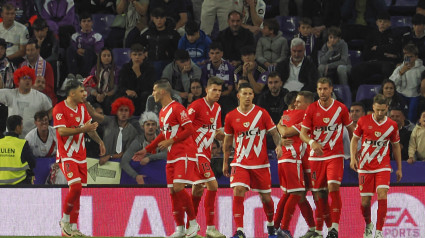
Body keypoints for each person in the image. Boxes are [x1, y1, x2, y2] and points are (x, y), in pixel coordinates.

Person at [132, 79, 199, 237]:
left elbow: (189, 129)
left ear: (163, 91)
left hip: (184, 152)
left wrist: (171, 141)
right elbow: (164, 134)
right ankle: (180, 228)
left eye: (155, 90)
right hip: (172, 155)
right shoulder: (162, 112)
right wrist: (147, 149)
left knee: (178, 188)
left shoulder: (177, 107)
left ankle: (194, 223)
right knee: (172, 192)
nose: (153, 93)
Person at [222, 83, 282, 238]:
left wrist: (279, 146)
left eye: (250, 94)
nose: (248, 97)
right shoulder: (230, 116)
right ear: (238, 95)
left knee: (266, 198)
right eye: (245, 94)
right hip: (240, 162)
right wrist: (225, 162)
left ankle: (270, 226)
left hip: (261, 163)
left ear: (253, 96)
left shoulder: (262, 113)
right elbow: (227, 142)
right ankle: (240, 231)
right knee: (238, 191)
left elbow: (274, 133)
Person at [300, 77, 355, 238]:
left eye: (325, 89)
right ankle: (326, 228)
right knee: (319, 195)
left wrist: (354, 154)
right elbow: (303, 134)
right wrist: (312, 142)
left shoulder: (341, 108)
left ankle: (335, 228)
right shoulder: (311, 109)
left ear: (331, 89)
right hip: (316, 158)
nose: (322, 92)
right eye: (319, 89)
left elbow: (353, 131)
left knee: (333, 187)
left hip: (335, 155)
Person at [54, 79, 105, 237]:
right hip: (66, 155)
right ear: (72, 93)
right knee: (75, 187)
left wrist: (100, 141)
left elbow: (89, 130)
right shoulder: (59, 108)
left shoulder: (82, 108)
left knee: (78, 192)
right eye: (82, 91)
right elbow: (61, 132)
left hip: (81, 156)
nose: (85, 93)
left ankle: (73, 229)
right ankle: (65, 220)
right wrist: (84, 128)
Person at [350, 94, 402, 238]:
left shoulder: (392, 125)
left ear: (387, 108)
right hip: (365, 165)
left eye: (383, 110)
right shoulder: (363, 121)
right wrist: (353, 157)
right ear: (373, 107)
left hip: (383, 165)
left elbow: (396, 147)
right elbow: (354, 140)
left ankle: (379, 232)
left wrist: (399, 168)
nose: (380, 113)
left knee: (382, 194)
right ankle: (368, 224)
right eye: (377, 110)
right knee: (365, 202)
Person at [187, 77, 226, 238]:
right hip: (196, 153)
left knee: (197, 190)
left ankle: (191, 228)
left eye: (219, 90)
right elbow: (185, 128)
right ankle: (210, 227)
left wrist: (227, 135)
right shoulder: (195, 106)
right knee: (213, 185)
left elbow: (216, 132)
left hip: (206, 153)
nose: (217, 93)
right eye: (214, 90)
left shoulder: (217, 108)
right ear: (206, 90)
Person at [275, 91, 316, 238]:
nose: (295, 105)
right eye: (295, 101)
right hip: (298, 160)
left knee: (307, 195)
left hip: (310, 161)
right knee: (299, 194)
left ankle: (315, 229)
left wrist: (280, 130)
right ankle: (310, 229)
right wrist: (280, 137)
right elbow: (283, 129)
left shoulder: (305, 117)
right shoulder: (301, 116)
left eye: (299, 102)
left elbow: (283, 128)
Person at [351, 12, 401, 89]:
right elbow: (366, 52)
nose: (382, 24)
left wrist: (377, 48)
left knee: (387, 68)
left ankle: (386, 91)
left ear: (390, 23)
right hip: (373, 61)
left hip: (387, 62)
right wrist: (385, 50)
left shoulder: (394, 35)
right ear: (377, 23)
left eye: (385, 22)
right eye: (380, 21)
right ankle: (358, 91)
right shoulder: (371, 35)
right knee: (355, 69)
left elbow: (394, 49)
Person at [0, 66, 52, 138]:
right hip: (12, 138)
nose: (27, 80)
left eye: (30, 78)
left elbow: (50, 110)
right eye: (24, 78)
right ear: (18, 80)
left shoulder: (40, 97)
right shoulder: (10, 94)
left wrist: (43, 122)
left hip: (32, 138)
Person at [85, 97, 138, 165]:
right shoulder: (109, 121)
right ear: (116, 111)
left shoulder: (132, 131)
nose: (123, 113)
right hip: (103, 161)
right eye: (121, 110)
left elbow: (128, 152)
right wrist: (84, 101)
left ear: (130, 112)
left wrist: (110, 156)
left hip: (121, 164)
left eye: (126, 110)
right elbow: (93, 114)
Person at [121, 111, 167, 184]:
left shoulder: (162, 139)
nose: (150, 127)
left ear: (157, 126)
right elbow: (124, 161)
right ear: (143, 126)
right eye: (148, 124)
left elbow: (167, 154)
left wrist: (149, 158)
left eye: (153, 124)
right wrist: (135, 176)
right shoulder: (138, 141)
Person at [139, 8, 181, 77]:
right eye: (157, 18)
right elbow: (139, 45)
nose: (159, 20)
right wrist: (145, 53)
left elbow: (179, 49)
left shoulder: (173, 33)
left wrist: (169, 53)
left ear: (165, 19)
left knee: (157, 67)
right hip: (150, 60)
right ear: (153, 19)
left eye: (161, 18)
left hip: (167, 61)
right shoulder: (148, 33)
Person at [389, 44, 425, 122]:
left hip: (414, 95)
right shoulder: (400, 68)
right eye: (406, 56)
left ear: (416, 57)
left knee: (411, 116)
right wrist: (401, 72)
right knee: (398, 115)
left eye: (411, 56)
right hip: (401, 94)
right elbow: (391, 83)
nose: (409, 58)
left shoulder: (422, 69)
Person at [117, 43, 155, 115]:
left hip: (143, 94)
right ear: (130, 55)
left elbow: (149, 87)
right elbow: (120, 85)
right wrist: (127, 90)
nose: (137, 57)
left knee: (146, 95)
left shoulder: (150, 68)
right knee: (122, 96)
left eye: (140, 54)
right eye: (135, 54)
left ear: (144, 55)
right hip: (130, 93)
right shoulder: (125, 67)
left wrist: (138, 74)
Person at [0, 115, 36, 185]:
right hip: (18, 183)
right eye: (21, 124)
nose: (22, 127)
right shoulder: (22, 144)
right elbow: (32, 163)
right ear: (17, 127)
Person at [20, 38, 57, 105]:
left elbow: (50, 87)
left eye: (32, 50)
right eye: (28, 50)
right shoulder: (22, 66)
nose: (30, 53)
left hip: (44, 98)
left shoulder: (47, 66)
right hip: (25, 99)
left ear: (38, 50)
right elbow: (17, 85)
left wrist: (37, 87)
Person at [67, 12, 104, 77]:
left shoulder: (98, 36)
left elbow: (97, 52)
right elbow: (73, 48)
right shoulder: (75, 36)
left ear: (92, 23)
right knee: (70, 50)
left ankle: (84, 76)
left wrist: (85, 51)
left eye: (88, 21)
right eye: (84, 21)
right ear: (80, 24)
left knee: (89, 51)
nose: (86, 23)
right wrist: (77, 50)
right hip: (78, 59)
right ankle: (73, 75)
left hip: (92, 60)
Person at [88, 47, 119, 115]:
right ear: (100, 57)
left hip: (109, 94)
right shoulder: (95, 69)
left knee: (109, 101)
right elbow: (89, 86)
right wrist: (97, 95)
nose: (107, 57)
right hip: (97, 94)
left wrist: (104, 95)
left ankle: (107, 119)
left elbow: (116, 88)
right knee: (88, 99)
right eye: (104, 55)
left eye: (108, 55)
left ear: (112, 57)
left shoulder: (115, 70)